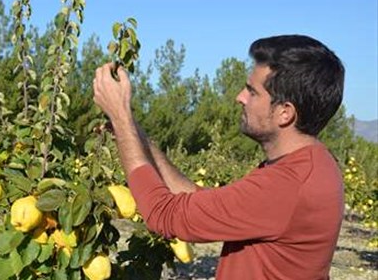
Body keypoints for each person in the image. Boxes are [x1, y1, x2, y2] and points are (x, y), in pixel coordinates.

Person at [92, 35, 345, 279]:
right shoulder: (308, 166)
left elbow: (162, 214)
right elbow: (192, 199)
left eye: (252, 92)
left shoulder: (288, 184)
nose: (240, 98)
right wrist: (135, 134)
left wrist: (120, 115)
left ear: (284, 113)